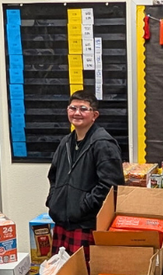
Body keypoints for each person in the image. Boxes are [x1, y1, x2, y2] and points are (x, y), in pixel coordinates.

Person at [46, 90, 124, 262]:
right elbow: (53, 177)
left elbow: (111, 186)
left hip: (86, 225)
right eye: (73, 108)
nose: (77, 113)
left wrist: (82, 207)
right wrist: (53, 201)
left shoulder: (103, 144)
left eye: (83, 109)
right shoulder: (66, 142)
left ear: (95, 115)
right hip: (62, 224)